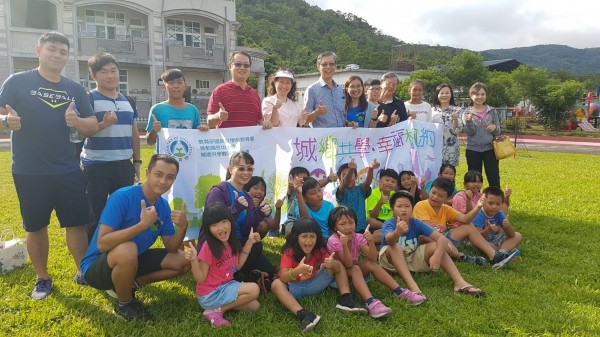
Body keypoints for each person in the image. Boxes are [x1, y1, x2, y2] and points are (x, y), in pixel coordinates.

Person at [0, 31, 99, 299]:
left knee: (76, 224)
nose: (57, 55)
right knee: (35, 226)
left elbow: (92, 125)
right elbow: (0, 114)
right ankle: (42, 278)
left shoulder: (75, 88)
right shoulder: (17, 82)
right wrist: (6, 122)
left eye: (63, 52)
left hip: (68, 168)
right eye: (52, 49)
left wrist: (77, 122)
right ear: (38, 51)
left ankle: (83, 272)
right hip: (28, 170)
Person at [81, 154, 191, 321]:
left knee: (183, 260)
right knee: (128, 248)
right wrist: (141, 226)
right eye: (158, 174)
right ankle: (124, 304)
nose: (163, 181)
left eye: (169, 177)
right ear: (147, 173)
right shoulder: (123, 196)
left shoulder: (162, 207)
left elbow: (171, 248)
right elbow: (102, 243)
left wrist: (183, 227)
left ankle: (128, 284)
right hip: (96, 266)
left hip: (133, 259)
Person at [378, 191, 485, 297]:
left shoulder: (415, 222)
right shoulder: (390, 223)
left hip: (411, 258)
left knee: (436, 245)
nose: (403, 210)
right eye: (399, 206)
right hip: (391, 263)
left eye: (407, 206)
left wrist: (437, 256)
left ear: (412, 208)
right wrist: (397, 232)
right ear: (392, 209)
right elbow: (389, 241)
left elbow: (441, 238)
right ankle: (414, 288)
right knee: (394, 246)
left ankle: (460, 283)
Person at [81, 52, 141, 242]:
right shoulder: (88, 99)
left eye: (113, 70)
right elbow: (82, 133)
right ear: (93, 76)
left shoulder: (128, 100)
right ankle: (92, 259)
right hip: (95, 166)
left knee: (123, 211)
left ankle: (120, 251)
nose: (110, 75)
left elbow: (134, 134)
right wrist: (103, 124)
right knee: (94, 214)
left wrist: (137, 162)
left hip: (124, 165)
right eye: (103, 71)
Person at [328, 206, 426, 318]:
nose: (348, 227)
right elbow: (348, 264)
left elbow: (372, 258)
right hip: (338, 276)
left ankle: (400, 291)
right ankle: (371, 302)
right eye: (342, 224)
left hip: (353, 269)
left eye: (351, 222)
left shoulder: (357, 237)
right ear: (335, 227)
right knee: (354, 268)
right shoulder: (334, 240)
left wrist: (370, 241)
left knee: (370, 264)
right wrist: (344, 245)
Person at [271, 217, 365, 333]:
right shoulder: (289, 251)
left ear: (317, 237)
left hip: (314, 283)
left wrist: (332, 263)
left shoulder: (319, 249)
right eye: (304, 236)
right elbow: (283, 277)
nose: (308, 241)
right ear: (296, 237)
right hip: (293, 288)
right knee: (276, 284)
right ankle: (304, 315)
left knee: (337, 264)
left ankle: (345, 298)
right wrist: (296, 271)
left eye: (312, 236)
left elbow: (336, 268)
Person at [203, 152, 277, 285]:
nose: (246, 172)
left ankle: (255, 276)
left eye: (249, 169)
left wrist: (259, 214)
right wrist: (235, 208)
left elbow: (247, 229)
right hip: (218, 246)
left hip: (236, 243)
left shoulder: (247, 196)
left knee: (272, 272)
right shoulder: (218, 191)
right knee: (256, 247)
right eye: (241, 168)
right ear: (231, 169)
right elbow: (213, 223)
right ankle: (239, 275)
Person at [185, 202, 261, 328]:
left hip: (226, 285)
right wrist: (193, 260)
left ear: (230, 222)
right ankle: (217, 310)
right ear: (208, 229)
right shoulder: (208, 247)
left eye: (224, 222)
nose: (221, 228)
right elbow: (200, 279)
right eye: (214, 225)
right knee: (254, 289)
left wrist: (250, 242)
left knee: (255, 306)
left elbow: (237, 266)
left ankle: (218, 309)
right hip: (210, 294)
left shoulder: (232, 242)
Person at [413, 178, 518, 268]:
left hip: (442, 240)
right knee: (440, 245)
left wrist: (478, 207)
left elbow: (465, 219)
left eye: (440, 196)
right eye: (433, 193)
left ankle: (493, 256)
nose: (435, 197)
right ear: (430, 190)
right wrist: (446, 243)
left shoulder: (445, 208)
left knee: (468, 226)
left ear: (448, 198)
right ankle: (461, 257)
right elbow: (427, 233)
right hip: (426, 242)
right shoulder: (421, 205)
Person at [207, 51, 269, 129]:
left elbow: (259, 120)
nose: (242, 68)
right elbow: (209, 122)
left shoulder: (254, 94)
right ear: (230, 66)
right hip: (227, 140)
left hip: (250, 140)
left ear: (250, 68)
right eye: (238, 64)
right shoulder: (219, 91)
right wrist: (218, 116)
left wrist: (266, 124)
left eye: (246, 65)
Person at [146, 69, 207, 146]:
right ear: (164, 86)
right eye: (171, 83)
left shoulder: (193, 109)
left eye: (179, 82)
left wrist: (203, 129)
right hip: (165, 157)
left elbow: (197, 136)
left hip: (189, 156)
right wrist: (154, 131)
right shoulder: (157, 109)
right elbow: (149, 142)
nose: (176, 86)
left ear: (185, 86)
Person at [470, 186, 522, 269]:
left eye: (498, 204)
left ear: (502, 204)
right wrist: (489, 229)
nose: (494, 207)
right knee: (490, 245)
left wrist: (508, 226)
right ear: (483, 202)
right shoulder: (479, 214)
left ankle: (501, 253)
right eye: (490, 203)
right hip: (480, 243)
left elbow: (512, 235)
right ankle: (505, 252)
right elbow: (477, 236)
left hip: (494, 240)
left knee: (518, 235)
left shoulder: (499, 213)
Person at [462, 82, 502, 187]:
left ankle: (495, 202)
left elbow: (498, 131)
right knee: (474, 180)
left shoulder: (492, 111)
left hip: (490, 149)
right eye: (476, 94)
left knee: (494, 178)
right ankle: (474, 202)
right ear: (471, 96)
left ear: (486, 95)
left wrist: (494, 128)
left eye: (482, 94)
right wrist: (469, 121)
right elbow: (469, 133)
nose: (479, 97)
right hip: (472, 150)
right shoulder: (466, 112)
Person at [281, 166, 337, 237]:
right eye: (299, 179)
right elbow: (305, 220)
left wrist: (329, 178)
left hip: (323, 239)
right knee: (291, 233)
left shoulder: (329, 206)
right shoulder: (293, 191)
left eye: (305, 178)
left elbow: (315, 186)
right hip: (294, 221)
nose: (303, 180)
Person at [303, 51, 345, 128]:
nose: (328, 67)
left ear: (336, 66)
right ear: (318, 67)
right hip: (322, 138)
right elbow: (304, 120)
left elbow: (341, 116)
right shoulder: (312, 90)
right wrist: (317, 112)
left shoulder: (339, 90)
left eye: (331, 64)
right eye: (324, 64)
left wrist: (349, 123)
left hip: (340, 136)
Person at [431, 84, 463, 166]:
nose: (444, 95)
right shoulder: (431, 110)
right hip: (433, 150)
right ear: (437, 95)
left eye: (447, 93)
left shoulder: (457, 110)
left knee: (448, 177)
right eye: (441, 93)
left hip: (450, 151)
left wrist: (455, 119)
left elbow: (457, 130)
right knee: (434, 176)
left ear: (451, 94)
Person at [366, 169, 398, 236]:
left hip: (390, 221)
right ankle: (388, 229)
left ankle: (388, 229)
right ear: (380, 180)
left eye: (393, 182)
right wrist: (380, 202)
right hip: (378, 222)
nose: (389, 183)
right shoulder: (373, 193)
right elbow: (372, 216)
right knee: (370, 221)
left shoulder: (395, 195)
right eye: (387, 180)